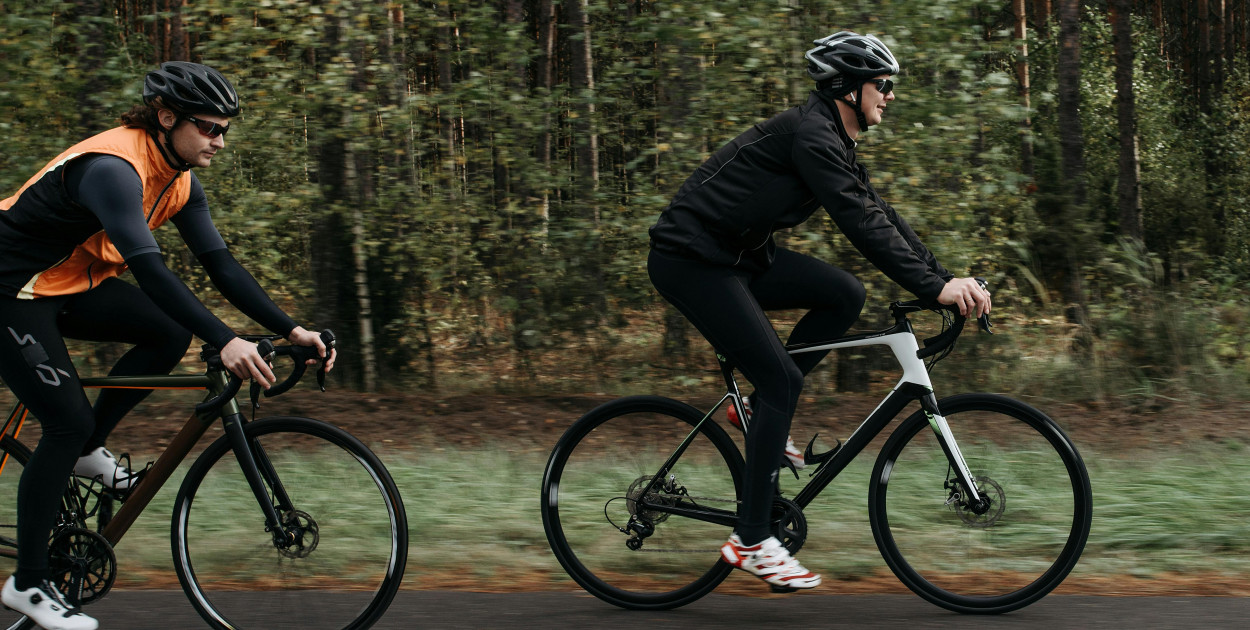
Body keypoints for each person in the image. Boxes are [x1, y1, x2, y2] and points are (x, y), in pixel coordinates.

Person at [646, 31, 991, 591]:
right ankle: (753, 539)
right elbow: (859, 225)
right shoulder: (812, 136)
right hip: (692, 261)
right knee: (782, 379)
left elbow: (878, 213)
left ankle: (754, 412)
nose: (890, 95)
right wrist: (934, 288)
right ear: (849, 89)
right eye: (883, 85)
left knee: (844, 294)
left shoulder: (831, 138)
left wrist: (941, 278)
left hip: (740, 257)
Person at [0, 61, 334, 630]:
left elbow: (220, 264)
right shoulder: (113, 169)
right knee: (64, 421)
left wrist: (289, 329)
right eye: (209, 127)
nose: (220, 141)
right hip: (9, 290)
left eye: (226, 129)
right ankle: (29, 583)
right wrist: (224, 338)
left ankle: (88, 450)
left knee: (167, 331)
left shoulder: (179, 180)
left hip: (61, 284)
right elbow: (149, 270)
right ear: (166, 116)